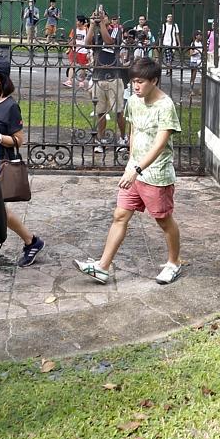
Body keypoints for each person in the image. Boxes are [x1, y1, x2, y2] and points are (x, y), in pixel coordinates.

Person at [74, 58, 185, 286]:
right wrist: (130, 163)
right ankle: (103, 267)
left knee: (163, 220)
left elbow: (160, 144)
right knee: (120, 215)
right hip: (134, 171)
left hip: (156, 174)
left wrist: (137, 168)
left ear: (154, 81)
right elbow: (133, 132)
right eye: (133, 81)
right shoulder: (134, 101)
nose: (136, 86)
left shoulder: (165, 106)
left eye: (140, 82)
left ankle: (174, 262)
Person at [0, 58, 45, 268]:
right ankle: (31, 241)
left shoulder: (10, 106)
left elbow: (19, 140)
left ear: (1, 79)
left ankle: (31, 241)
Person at [90, 15, 126, 153]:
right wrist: (93, 25)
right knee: (100, 112)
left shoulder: (116, 30)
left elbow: (109, 42)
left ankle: (123, 138)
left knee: (118, 111)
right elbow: (88, 43)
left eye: (101, 16)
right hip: (98, 77)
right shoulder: (97, 33)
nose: (99, 18)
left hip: (113, 77)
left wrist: (104, 25)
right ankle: (101, 140)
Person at [62, 15, 91, 88]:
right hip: (74, 50)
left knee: (83, 68)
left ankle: (81, 81)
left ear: (81, 22)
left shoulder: (87, 30)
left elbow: (90, 42)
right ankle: (69, 81)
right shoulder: (74, 29)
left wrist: (89, 52)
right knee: (72, 65)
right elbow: (71, 40)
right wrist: (70, 47)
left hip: (83, 51)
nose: (76, 22)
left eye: (77, 21)